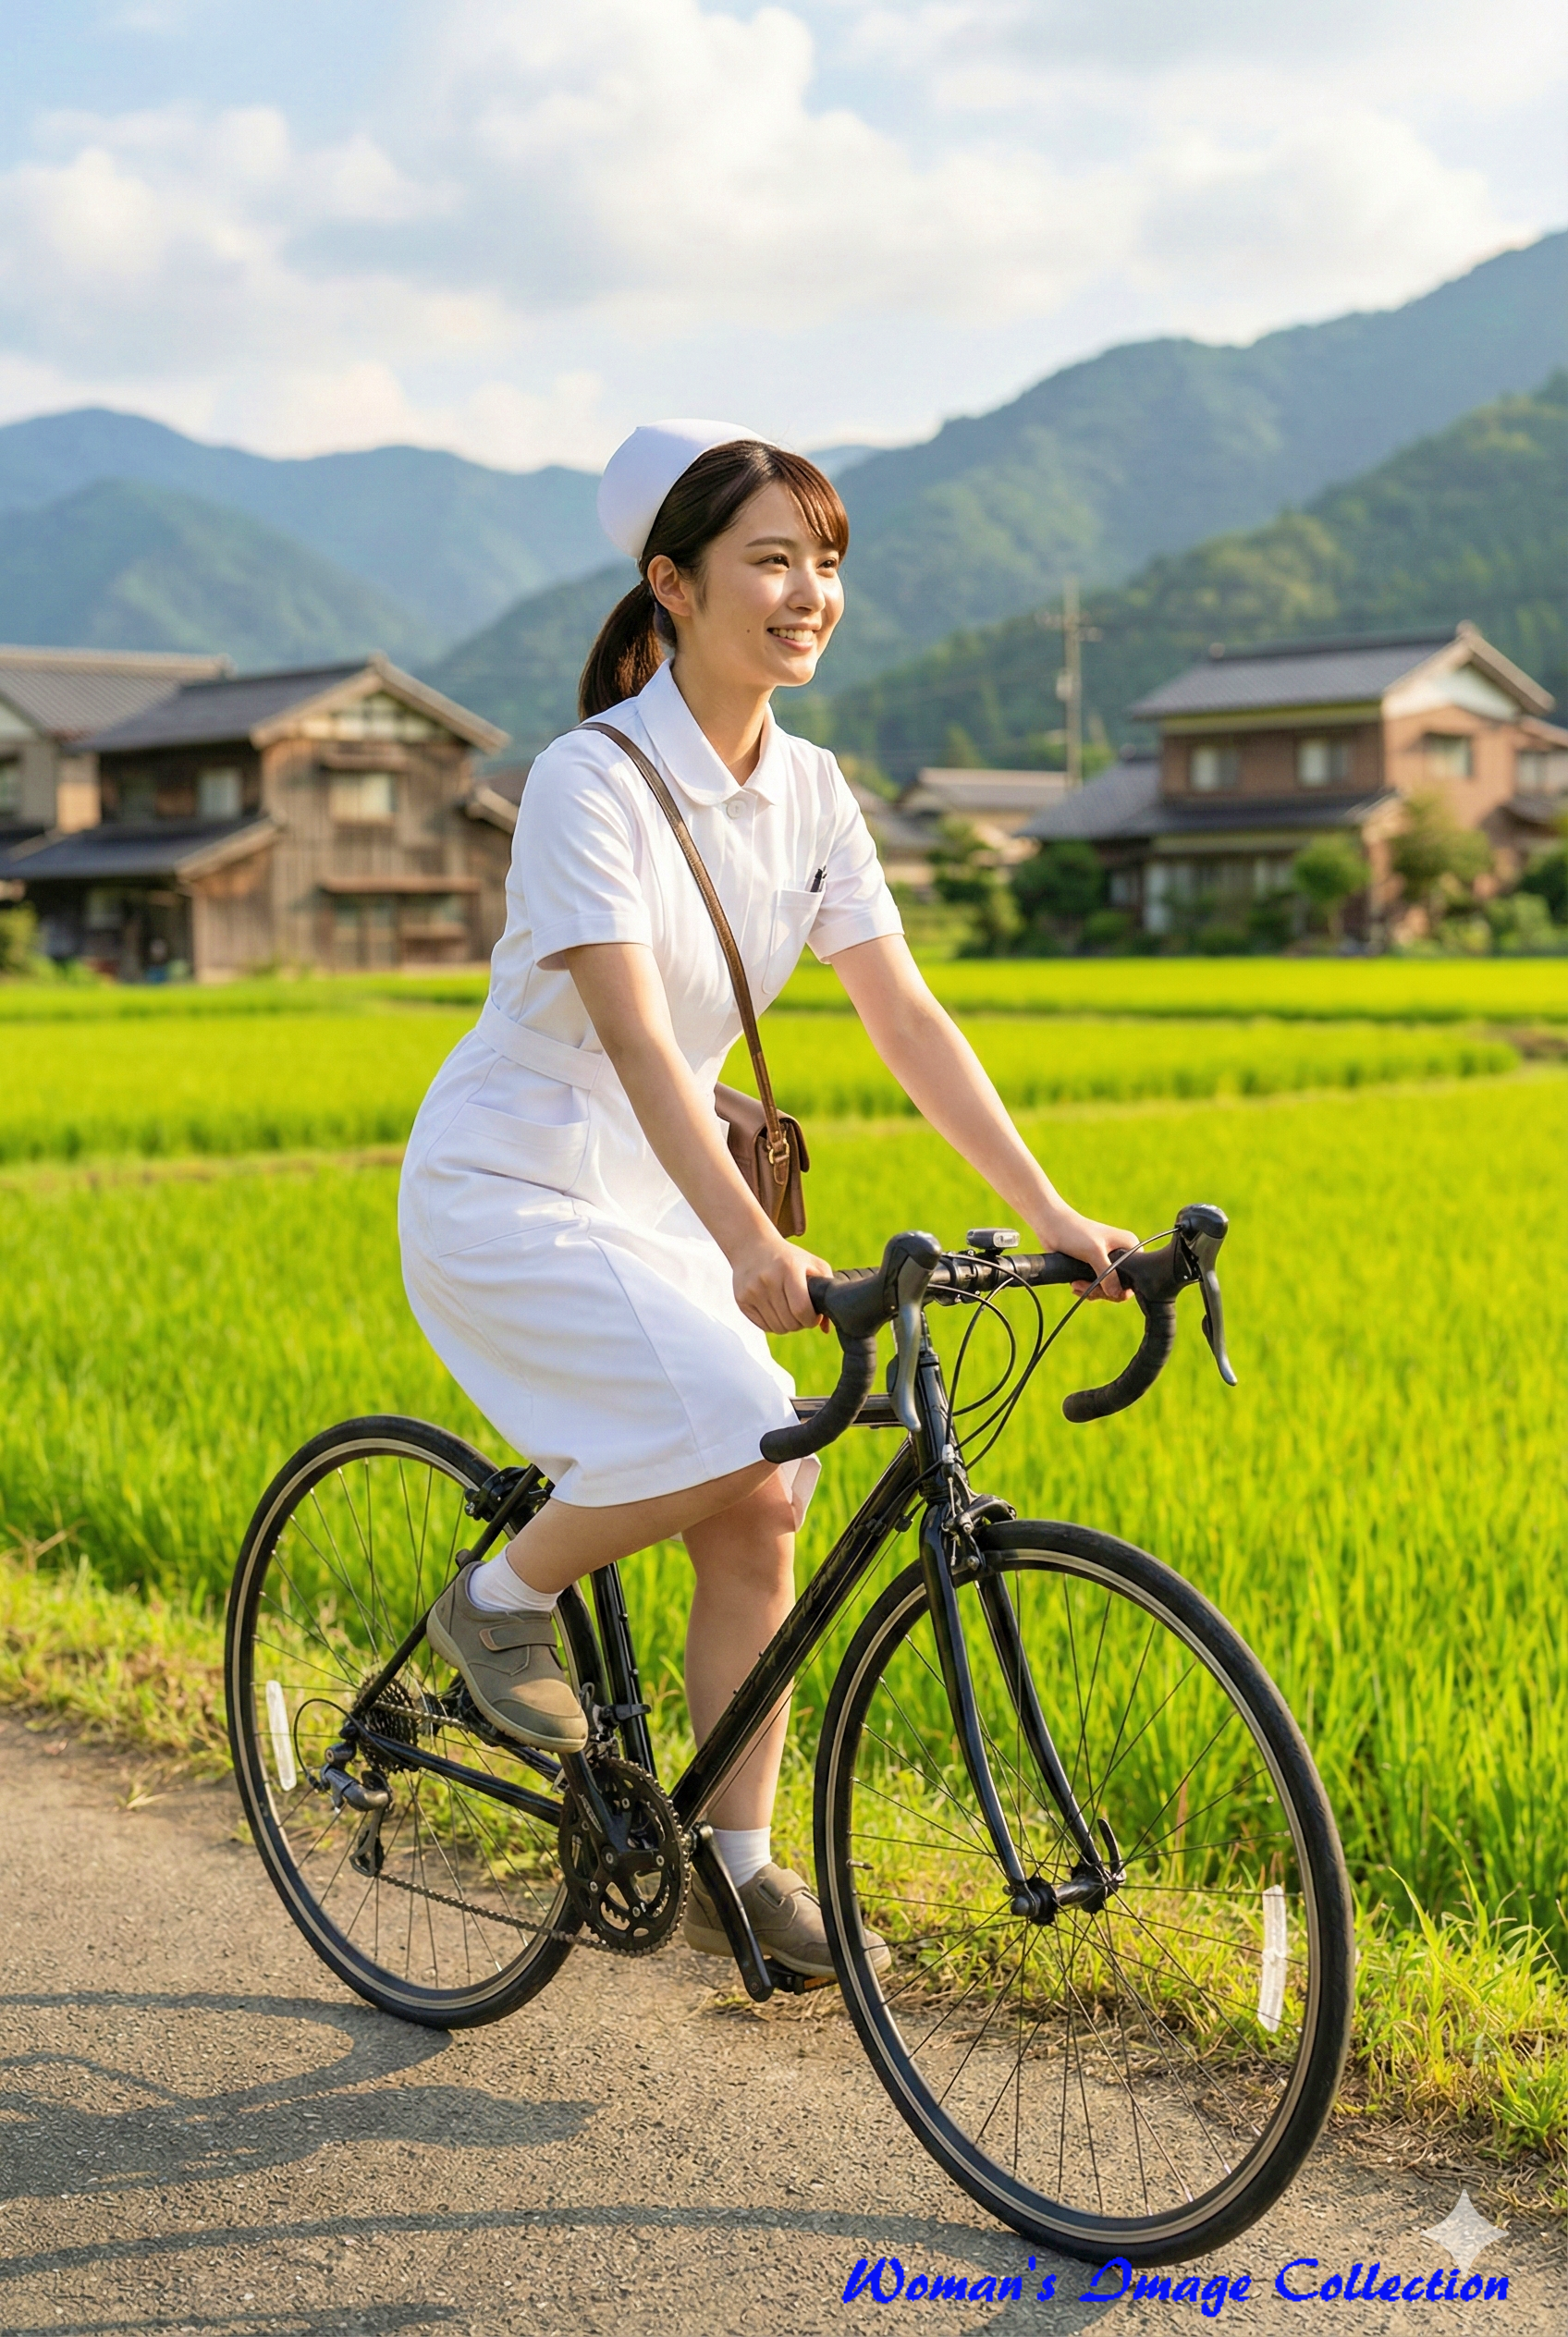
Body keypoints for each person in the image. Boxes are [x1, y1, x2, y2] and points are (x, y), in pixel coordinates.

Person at [398, 419, 1134, 1978]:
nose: (811, 594)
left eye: (829, 562)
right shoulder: (588, 780)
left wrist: (1054, 1212)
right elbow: (635, 1039)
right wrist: (751, 1240)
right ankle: (498, 1599)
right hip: (514, 1187)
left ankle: (740, 1866)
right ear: (672, 584)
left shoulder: (813, 789)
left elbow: (905, 1014)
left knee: (763, 1500)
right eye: (773, 560)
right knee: (742, 1426)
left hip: (659, 1206)